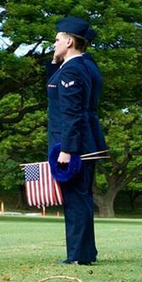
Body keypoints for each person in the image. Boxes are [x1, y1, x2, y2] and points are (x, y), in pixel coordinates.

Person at [47, 16, 106, 265]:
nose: (54, 44)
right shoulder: (81, 66)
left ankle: (78, 256)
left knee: (75, 200)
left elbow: (71, 112)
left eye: (57, 40)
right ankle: (86, 252)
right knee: (81, 198)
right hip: (86, 141)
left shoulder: (73, 70)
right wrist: (54, 62)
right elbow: (54, 88)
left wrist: (67, 149)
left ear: (69, 42)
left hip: (74, 145)